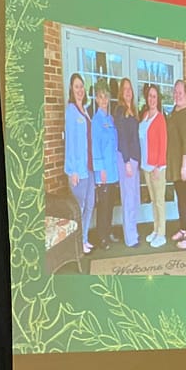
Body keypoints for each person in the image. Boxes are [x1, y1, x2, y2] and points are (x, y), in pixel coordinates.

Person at [63, 73, 94, 254]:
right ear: (71, 89)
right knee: (79, 208)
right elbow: (70, 143)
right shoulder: (71, 111)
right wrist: (72, 171)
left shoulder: (85, 110)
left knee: (90, 205)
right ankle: (75, 245)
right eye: (76, 87)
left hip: (89, 168)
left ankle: (83, 239)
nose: (80, 90)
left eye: (81, 86)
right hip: (78, 171)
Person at [166, 79, 186, 250]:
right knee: (180, 200)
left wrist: (184, 167)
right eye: (175, 92)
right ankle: (184, 229)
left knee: (184, 202)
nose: (177, 95)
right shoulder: (174, 111)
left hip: (184, 168)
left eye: (180, 92)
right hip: (177, 167)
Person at [113, 77, 142, 248]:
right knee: (128, 198)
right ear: (121, 93)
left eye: (130, 89)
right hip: (126, 159)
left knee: (134, 197)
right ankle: (130, 238)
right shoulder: (120, 111)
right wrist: (126, 162)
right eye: (125, 89)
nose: (128, 92)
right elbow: (122, 138)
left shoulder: (133, 111)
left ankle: (134, 231)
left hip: (134, 159)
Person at [139, 84, 168, 248]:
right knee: (152, 200)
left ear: (158, 99)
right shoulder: (144, 116)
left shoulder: (160, 118)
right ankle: (156, 229)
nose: (151, 99)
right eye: (150, 96)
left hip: (157, 167)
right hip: (146, 165)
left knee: (159, 201)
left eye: (154, 96)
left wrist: (158, 165)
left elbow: (163, 144)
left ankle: (162, 234)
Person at [91, 81, 118, 253]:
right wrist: (100, 169)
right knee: (103, 206)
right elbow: (95, 146)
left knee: (111, 205)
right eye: (100, 96)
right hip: (103, 171)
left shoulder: (110, 118)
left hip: (113, 170)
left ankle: (108, 232)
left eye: (106, 96)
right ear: (96, 98)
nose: (103, 100)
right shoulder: (96, 120)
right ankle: (101, 237)